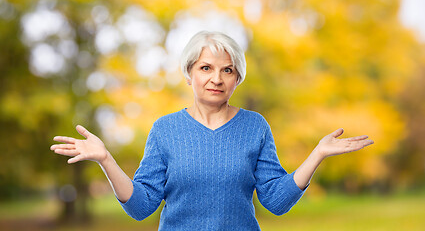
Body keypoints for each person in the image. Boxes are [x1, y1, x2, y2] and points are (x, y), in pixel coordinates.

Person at [50, 31, 374, 230]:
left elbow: (276, 201)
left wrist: (317, 154)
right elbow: (141, 207)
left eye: (227, 70)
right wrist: (106, 158)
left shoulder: (255, 127)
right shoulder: (164, 130)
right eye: (205, 68)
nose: (216, 79)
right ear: (189, 74)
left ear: (237, 78)